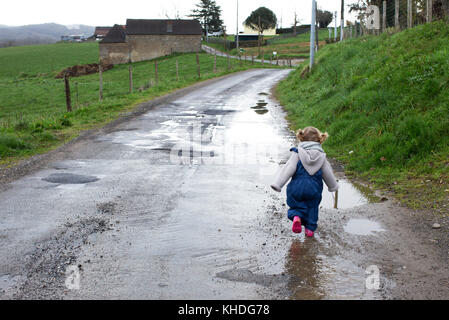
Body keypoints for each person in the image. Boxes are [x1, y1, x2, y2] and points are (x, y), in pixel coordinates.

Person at [271, 127, 339, 237]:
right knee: (312, 208)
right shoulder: (321, 157)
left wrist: (278, 184)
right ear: (320, 140)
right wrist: (333, 186)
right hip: (314, 189)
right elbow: (327, 173)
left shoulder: (297, 153)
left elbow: (289, 168)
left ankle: (297, 216)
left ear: (301, 138)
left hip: (296, 188)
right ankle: (310, 230)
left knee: (296, 205)